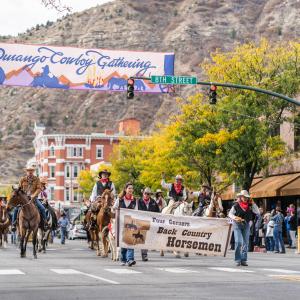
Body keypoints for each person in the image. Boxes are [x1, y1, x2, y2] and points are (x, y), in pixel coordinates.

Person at [11, 165, 49, 231]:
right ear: (26, 172)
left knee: (42, 208)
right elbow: (19, 188)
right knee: (16, 209)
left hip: (33, 198)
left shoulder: (37, 179)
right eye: (28, 171)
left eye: (31, 171)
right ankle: (13, 224)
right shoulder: (23, 179)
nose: (30, 172)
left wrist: (34, 195)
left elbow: (39, 189)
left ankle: (45, 223)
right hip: (23, 199)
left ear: (33, 171)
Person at [228, 190, 260, 266]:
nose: (245, 198)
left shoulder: (250, 205)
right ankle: (237, 259)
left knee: (246, 243)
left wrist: (253, 203)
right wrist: (235, 217)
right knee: (238, 242)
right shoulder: (236, 205)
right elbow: (230, 214)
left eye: (246, 197)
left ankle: (243, 260)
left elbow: (258, 212)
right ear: (240, 197)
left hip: (246, 225)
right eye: (243, 197)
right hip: (237, 224)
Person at [113, 182, 137, 267]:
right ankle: (123, 259)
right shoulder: (119, 199)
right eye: (129, 188)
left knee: (130, 241)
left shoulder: (134, 200)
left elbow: (137, 212)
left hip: (131, 223)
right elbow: (114, 209)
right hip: (121, 223)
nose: (131, 189)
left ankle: (130, 259)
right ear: (125, 189)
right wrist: (118, 212)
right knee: (123, 242)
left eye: (132, 188)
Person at [138, 187, 159, 261]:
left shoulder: (153, 202)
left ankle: (144, 252)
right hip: (141, 223)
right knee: (143, 238)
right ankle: (144, 255)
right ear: (143, 194)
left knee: (148, 239)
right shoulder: (138, 202)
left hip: (151, 223)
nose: (146, 195)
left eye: (148, 194)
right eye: (145, 193)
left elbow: (158, 213)